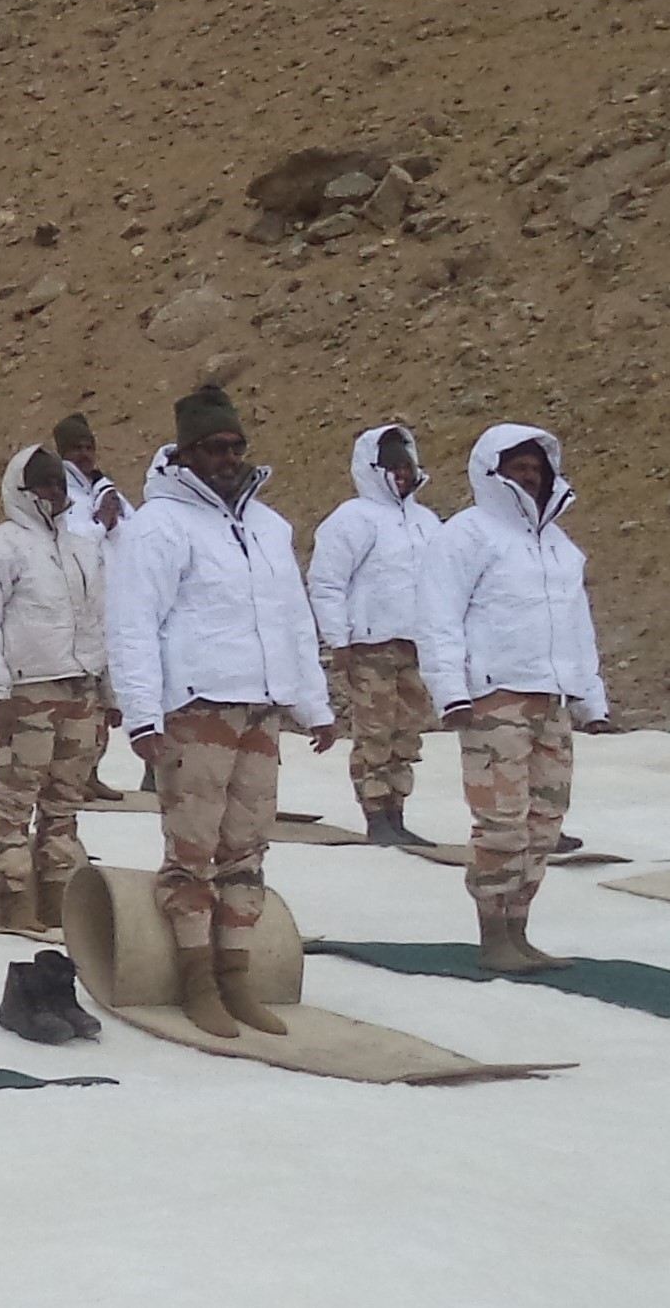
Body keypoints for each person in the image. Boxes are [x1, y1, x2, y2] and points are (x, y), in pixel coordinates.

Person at [103, 385, 332, 1039]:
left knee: (248, 851)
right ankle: (197, 981)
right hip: (197, 708)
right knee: (193, 854)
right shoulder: (159, 527)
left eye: (235, 445)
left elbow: (293, 619)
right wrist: (143, 716)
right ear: (184, 454)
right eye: (212, 447)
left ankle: (237, 980)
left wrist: (311, 704)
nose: (227, 457)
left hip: (260, 709)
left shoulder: (269, 526)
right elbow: (134, 626)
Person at [419, 423, 606, 974]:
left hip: (551, 700)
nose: (528, 477)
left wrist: (590, 698)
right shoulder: (467, 534)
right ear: (492, 472)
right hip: (493, 698)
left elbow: (579, 624)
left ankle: (520, 928)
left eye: (536, 468)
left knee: (545, 822)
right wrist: (450, 691)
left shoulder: (560, 546)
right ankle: (492, 934)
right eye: (517, 468)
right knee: (501, 822)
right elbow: (437, 618)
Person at [0, 442, 111, 927]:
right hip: (28, 692)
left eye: (59, 483)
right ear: (20, 489)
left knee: (65, 800)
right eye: (43, 484)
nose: (54, 493)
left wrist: (109, 691)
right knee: (16, 798)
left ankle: (59, 894)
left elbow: (101, 620)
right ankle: (16, 895)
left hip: (80, 689)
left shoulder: (83, 549)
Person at [309, 424, 443, 847]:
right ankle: (375, 813)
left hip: (417, 644)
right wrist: (339, 640)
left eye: (405, 465)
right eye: (391, 466)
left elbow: (445, 583)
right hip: (370, 646)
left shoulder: (427, 521)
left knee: (408, 731)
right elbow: (327, 582)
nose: (400, 474)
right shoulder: (352, 519)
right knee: (375, 730)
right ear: (372, 468)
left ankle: (397, 810)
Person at [48, 413, 138, 791]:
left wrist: (113, 518)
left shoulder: (106, 491)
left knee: (107, 699)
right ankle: (68, 774)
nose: (84, 455)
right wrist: (100, 523)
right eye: (76, 449)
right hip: (79, 607)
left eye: (89, 447)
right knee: (82, 697)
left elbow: (134, 535)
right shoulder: (59, 493)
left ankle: (91, 772)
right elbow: (66, 539)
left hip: (113, 602)